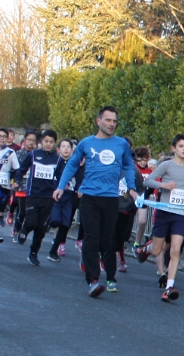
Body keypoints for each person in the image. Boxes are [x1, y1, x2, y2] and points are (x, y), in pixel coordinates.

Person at [54, 106, 139, 297]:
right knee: (92, 237)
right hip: (90, 197)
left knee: (106, 241)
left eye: (114, 121)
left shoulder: (121, 144)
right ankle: (93, 280)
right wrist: (61, 186)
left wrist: (131, 188)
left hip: (111, 198)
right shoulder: (87, 143)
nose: (111, 124)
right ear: (98, 121)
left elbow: (128, 165)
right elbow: (72, 164)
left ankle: (95, 260)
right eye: (108, 120)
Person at [143, 134, 184, 302]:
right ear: (174, 148)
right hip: (164, 211)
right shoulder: (166, 165)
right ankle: (145, 249)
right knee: (157, 250)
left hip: (180, 213)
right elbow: (148, 181)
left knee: (175, 250)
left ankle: (169, 286)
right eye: (181, 146)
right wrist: (163, 185)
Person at [16, 130, 62, 266]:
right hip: (33, 194)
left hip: (48, 196)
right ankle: (24, 229)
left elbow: (60, 176)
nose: (48, 144)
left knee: (41, 228)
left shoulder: (57, 159)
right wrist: (17, 180)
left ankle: (33, 253)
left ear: (54, 143)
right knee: (31, 221)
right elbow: (22, 169)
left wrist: (60, 187)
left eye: (51, 142)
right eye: (46, 141)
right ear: (41, 141)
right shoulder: (33, 154)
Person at [48, 140, 82, 262]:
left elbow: (80, 178)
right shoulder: (56, 162)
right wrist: (59, 186)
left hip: (70, 197)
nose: (66, 149)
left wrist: (79, 189)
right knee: (55, 221)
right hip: (57, 196)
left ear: (72, 150)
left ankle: (53, 250)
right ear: (59, 149)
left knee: (65, 224)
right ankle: (48, 223)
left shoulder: (75, 164)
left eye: (68, 147)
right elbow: (51, 177)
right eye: (63, 146)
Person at [10, 131, 38, 238]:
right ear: (25, 140)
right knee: (21, 210)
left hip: (33, 187)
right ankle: (17, 229)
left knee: (28, 211)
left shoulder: (37, 154)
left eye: (33, 140)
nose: (31, 142)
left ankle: (22, 228)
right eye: (29, 140)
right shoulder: (18, 154)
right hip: (21, 185)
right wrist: (13, 181)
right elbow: (14, 170)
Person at [133, 147, 153, 251]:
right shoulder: (133, 169)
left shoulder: (150, 171)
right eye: (140, 160)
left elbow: (153, 185)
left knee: (142, 221)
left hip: (143, 198)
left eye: (145, 160)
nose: (142, 163)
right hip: (131, 198)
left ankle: (137, 242)